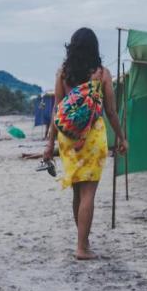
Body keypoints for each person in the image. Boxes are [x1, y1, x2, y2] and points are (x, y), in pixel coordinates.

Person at [42, 27, 127, 261]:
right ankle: (82, 247)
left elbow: (57, 111)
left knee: (77, 193)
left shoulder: (62, 74)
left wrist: (50, 145)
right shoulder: (102, 74)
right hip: (92, 137)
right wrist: (121, 137)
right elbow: (111, 111)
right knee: (89, 193)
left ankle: (83, 241)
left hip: (68, 138)